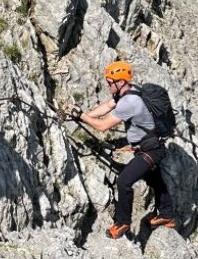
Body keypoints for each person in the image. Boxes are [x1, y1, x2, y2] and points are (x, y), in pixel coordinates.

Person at [69, 60, 175, 239]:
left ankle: (123, 223)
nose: (107, 84)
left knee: (124, 181)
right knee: (155, 179)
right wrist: (82, 116)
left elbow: (102, 126)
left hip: (150, 150)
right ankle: (167, 214)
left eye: (110, 82)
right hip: (149, 147)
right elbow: (106, 107)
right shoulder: (127, 92)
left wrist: (82, 117)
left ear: (120, 82)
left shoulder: (130, 101)